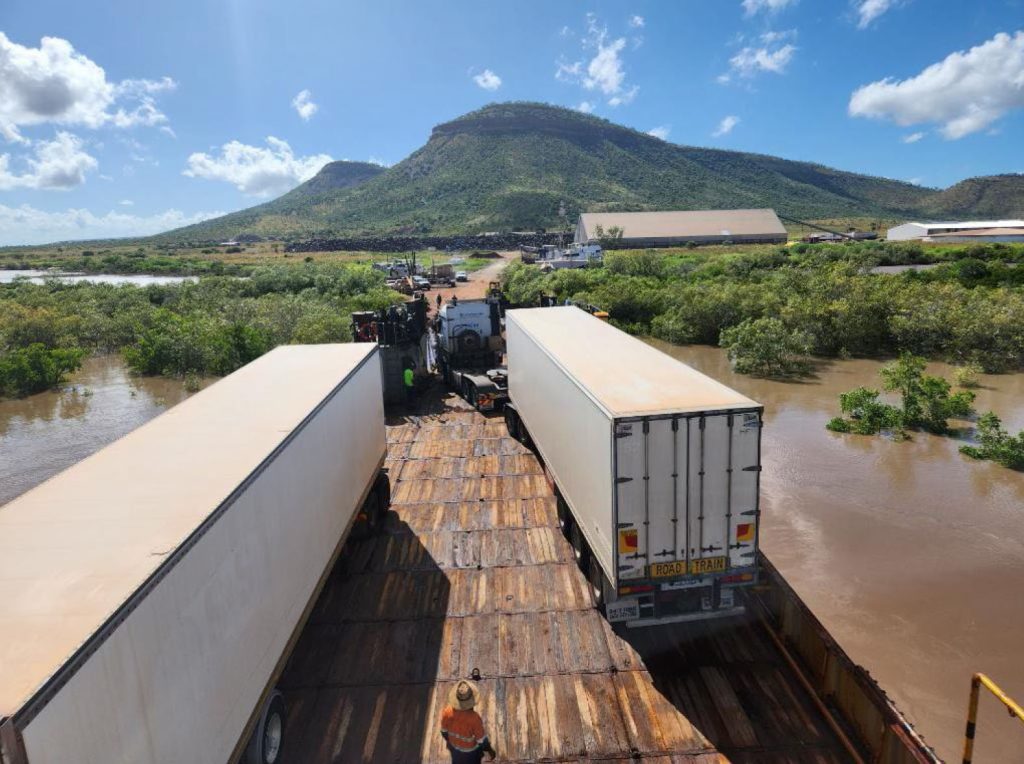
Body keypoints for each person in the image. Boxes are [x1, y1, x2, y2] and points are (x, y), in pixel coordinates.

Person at [440, 681, 495, 763]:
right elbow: (482, 740)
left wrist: (453, 742)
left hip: (454, 747)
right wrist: (490, 750)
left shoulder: (447, 711)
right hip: (469, 752)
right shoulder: (474, 718)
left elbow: (443, 732)